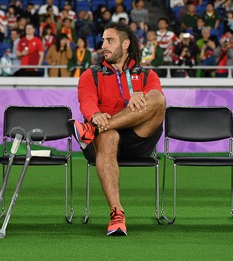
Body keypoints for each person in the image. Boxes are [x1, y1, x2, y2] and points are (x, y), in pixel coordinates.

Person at [69, 22, 166, 236]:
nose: (104, 45)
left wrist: (142, 97)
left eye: (110, 40)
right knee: (109, 135)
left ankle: (90, 131)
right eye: (103, 40)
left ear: (125, 44)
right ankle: (117, 214)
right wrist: (95, 115)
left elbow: (155, 100)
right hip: (104, 140)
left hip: (137, 138)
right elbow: (86, 102)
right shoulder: (90, 75)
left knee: (157, 99)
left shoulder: (147, 74)